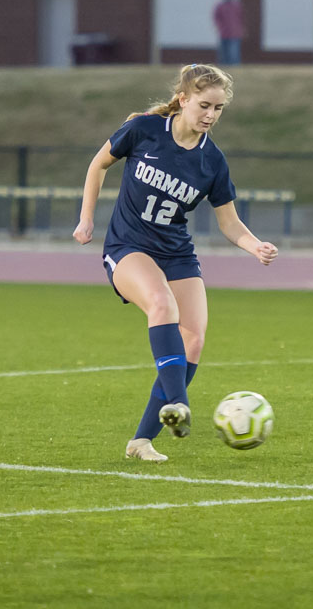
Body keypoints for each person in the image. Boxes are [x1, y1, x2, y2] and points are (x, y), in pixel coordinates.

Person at [73, 63, 278, 462]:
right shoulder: (145, 130)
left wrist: (254, 246)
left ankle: (141, 441)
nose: (210, 116)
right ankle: (179, 405)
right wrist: (86, 218)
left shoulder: (212, 161)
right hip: (128, 246)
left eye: (218, 109)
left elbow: (229, 222)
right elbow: (98, 164)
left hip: (176, 252)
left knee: (195, 339)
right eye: (204, 105)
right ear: (183, 100)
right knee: (161, 303)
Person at [212, 0, 245, 65]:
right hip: (224, 32)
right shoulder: (220, 6)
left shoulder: (237, 6)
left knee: (233, 52)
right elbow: (216, 18)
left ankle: (235, 66)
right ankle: (223, 65)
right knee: (223, 52)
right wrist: (220, 27)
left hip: (234, 33)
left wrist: (241, 29)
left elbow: (242, 18)